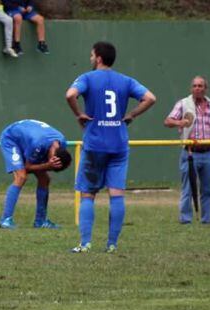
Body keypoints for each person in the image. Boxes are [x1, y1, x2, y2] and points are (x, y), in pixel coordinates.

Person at [65, 41, 156, 253]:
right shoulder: (125, 80)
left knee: (88, 194)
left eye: (91, 55)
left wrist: (79, 114)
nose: (90, 59)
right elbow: (150, 98)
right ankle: (112, 244)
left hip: (95, 143)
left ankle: (86, 243)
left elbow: (70, 95)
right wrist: (132, 114)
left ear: (98, 58)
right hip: (119, 144)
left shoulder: (87, 78)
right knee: (116, 194)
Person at [164, 76, 210, 224]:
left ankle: (206, 220)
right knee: (187, 189)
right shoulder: (184, 104)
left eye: (200, 86)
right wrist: (180, 122)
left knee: (208, 190)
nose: (197, 88)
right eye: (195, 86)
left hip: (209, 152)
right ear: (191, 88)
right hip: (190, 152)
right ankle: (186, 219)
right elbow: (167, 121)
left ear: (205, 89)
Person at [0, 119, 72, 229]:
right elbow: (27, 168)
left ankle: (40, 221)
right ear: (52, 157)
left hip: (29, 138)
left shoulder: (62, 143)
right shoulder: (38, 143)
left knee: (45, 179)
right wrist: (47, 165)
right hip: (12, 138)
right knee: (21, 176)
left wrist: (47, 165)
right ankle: (5, 220)